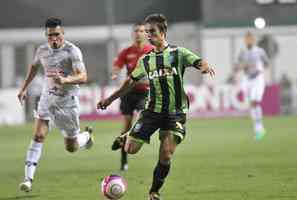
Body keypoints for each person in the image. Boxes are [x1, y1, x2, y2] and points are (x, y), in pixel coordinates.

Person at [97, 13, 215, 200]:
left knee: (166, 154)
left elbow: (198, 61)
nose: (148, 35)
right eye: (146, 32)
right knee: (130, 150)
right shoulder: (146, 60)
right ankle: (127, 137)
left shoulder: (179, 53)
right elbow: (129, 82)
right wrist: (109, 100)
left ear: (163, 32)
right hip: (152, 111)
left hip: (175, 113)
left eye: (152, 32)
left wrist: (204, 66)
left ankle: (154, 191)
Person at [17, 17, 94, 192]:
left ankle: (87, 137)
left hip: (67, 103)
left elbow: (83, 77)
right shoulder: (41, 50)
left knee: (71, 147)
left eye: (57, 34)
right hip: (47, 99)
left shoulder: (72, 51)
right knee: (38, 136)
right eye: (50, 35)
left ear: (63, 34)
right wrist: (23, 88)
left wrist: (66, 79)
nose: (54, 38)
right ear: (46, 35)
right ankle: (28, 179)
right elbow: (34, 67)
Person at [111, 22, 153, 171]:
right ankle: (123, 160)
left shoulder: (151, 50)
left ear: (146, 33)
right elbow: (117, 65)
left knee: (142, 116)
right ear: (132, 34)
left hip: (145, 91)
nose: (139, 33)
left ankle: (125, 139)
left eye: (142, 31)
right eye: (136, 31)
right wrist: (115, 72)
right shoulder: (126, 52)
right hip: (128, 92)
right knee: (126, 125)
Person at [237, 32, 269, 140]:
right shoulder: (242, 52)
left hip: (258, 78)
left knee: (255, 102)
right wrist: (243, 66)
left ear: (253, 40)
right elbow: (238, 65)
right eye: (247, 39)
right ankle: (258, 128)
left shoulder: (259, 51)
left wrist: (258, 67)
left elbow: (267, 63)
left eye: (250, 39)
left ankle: (259, 127)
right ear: (245, 40)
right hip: (247, 79)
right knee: (251, 103)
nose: (249, 41)